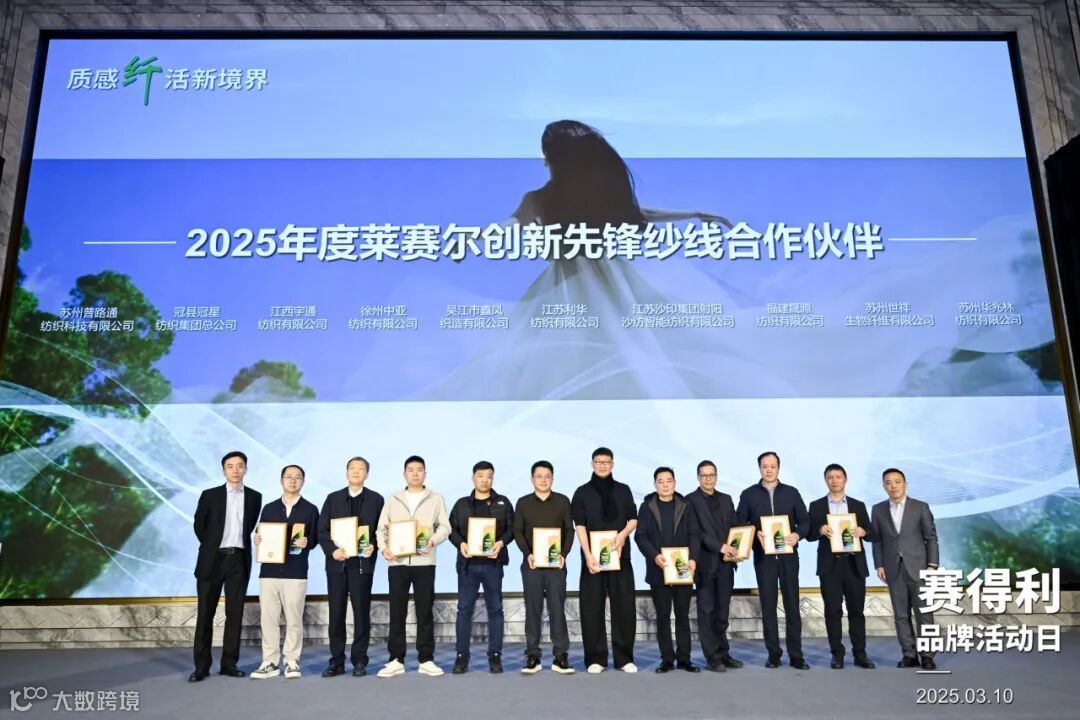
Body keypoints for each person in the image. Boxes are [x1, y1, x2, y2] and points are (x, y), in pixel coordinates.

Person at [190, 451, 262, 682]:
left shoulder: (255, 497)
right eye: (230, 466)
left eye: (240, 466)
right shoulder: (210, 495)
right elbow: (199, 526)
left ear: (246, 469)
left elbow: (250, 526)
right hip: (212, 560)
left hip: (238, 560)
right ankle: (201, 666)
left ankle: (229, 664)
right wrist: (212, 546)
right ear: (223, 470)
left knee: (235, 614)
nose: (235, 470)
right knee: (205, 614)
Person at [375, 455, 450, 677]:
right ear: (404, 473)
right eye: (411, 470)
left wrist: (432, 540)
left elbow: (445, 527)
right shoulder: (393, 499)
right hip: (397, 563)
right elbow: (381, 529)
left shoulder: (435, 498)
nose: (415, 473)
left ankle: (426, 659)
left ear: (425, 473)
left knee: (424, 611)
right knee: (397, 612)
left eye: (419, 469)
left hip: (424, 562)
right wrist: (384, 548)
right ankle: (396, 659)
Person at [736, 451, 810, 670]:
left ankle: (796, 655)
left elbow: (805, 522)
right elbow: (739, 523)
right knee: (768, 606)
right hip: (764, 558)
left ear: (779, 468)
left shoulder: (792, 493)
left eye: (772, 466)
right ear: (759, 468)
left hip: (789, 558)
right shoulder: (748, 494)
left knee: (792, 605)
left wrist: (797, 535)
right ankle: (774, 654)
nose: (768, 470)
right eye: (764, 466)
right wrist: (754, 532)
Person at [571, 447, 639, 674]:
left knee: (624, 607)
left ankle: (624, 658)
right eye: (598, 461)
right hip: (593, 560)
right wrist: (588, 554)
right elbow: (580, 525)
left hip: (620, 556)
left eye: (606, 461)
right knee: (592, 608)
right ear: (592, 464)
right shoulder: (582, 492)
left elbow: (633, 519)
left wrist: (622, 535)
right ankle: (595, 658)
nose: (602, 465)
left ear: (612, 464)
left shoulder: (623, 490)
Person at [317, 456, 385, 677]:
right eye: (352, 468)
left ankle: (359, 660)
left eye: (361, 469)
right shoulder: (333, 499)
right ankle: (336, 661)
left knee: (361, 613)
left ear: (367, 474)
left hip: (362, 565)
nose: (356, 472)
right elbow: (321, 530)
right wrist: (332, 550)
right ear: (346, 472)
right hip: (337, 564)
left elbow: (382, 530)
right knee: (336, 613)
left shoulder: (376, 499)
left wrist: (374, 545)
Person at [251, 464, 319, 680]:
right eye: (289, 477)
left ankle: (291, 660)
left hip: (295, 572)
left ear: (303, 482)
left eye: (298, 477)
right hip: (269, 572)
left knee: (294, 618)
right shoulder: (269, 508)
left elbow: (316, 538)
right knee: (268, 618)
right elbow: (261, 533)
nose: (293, 480)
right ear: (281, 481)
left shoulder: (310, 509)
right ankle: (270, 661)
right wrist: (257, 538)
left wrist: (308, 541)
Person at [806, 463, 876, 670]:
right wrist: (820, 529)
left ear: (845, 479)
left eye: (838, 477)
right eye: (830, 477)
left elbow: (871, 532)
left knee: (857, 612)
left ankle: (860, 654)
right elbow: (809, 535)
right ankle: (837, 654)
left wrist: (863, 532)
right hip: (830, 566)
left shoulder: (858, 505)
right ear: (825, 480)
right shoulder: (816, 506)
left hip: (854, 564)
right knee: (832, 611)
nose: (834, 481)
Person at [448, 461, 515, 674]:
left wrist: (500, 543)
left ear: (492, 478)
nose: (485, 480)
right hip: (468, 566)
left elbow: (512, 528)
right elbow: (451, 529)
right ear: (473, 478)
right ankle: (462, 656)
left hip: (493, 565)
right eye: (480, 475)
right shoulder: (461, 504)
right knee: (464, 610)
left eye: (489, 476)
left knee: (495, 610)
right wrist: (461, 544)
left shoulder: (503, 502)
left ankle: (495, 656)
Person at [871, 467, 940, 670]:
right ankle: (909, 654)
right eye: (888, 483)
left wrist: (932, 566)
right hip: (893, 569)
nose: (893, 486)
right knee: (901, 615)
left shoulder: (920, 507)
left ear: (905, 484)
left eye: (897, 482)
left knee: (924, 614)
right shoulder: (878, 509)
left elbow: (931, 537)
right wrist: (879, 564)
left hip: (920, 568)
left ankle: (927, 655)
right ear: (884, 486)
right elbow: (877, 540)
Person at [634, 467, 700, 673]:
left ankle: (685, 659)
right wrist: (655, 556)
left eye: (669, 481)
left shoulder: (686, 505)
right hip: (658, 569)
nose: (665, 485)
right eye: (660, 481)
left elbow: (695, 534)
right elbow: (640, 536)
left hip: (682, 569)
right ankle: (667, 659)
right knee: (662, 617)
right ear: (655, 484)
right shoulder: (646, 507)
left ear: (675, 483)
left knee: (682, 616)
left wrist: (693, 559)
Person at [513, 460, 575, 675]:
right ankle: (533, 655)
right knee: (533, 610)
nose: (543, 480)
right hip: (532, 565)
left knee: (557, 609)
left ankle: (561, 656)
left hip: (556, 565)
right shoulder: (523, 503)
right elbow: (517, 531)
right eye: (539, 476)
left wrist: (563, 554)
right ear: (532, 479)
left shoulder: (562, 501)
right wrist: (527, 554)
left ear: (552, 479)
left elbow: (569, 530)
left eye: (547, 476)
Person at [685, 460, 744, 672]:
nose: (708, 479)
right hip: (705, 565)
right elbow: (696, 533)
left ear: (716, 476)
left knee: (722, 612)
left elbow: (736, 527)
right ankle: (712, 657)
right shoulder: (690, 500)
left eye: (712, 475)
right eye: (704, 475)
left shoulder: (726, 499)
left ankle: (724, 653)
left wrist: (740, 548)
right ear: (698, 477)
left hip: (726, 565)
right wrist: (720, 546)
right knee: (706, 612)